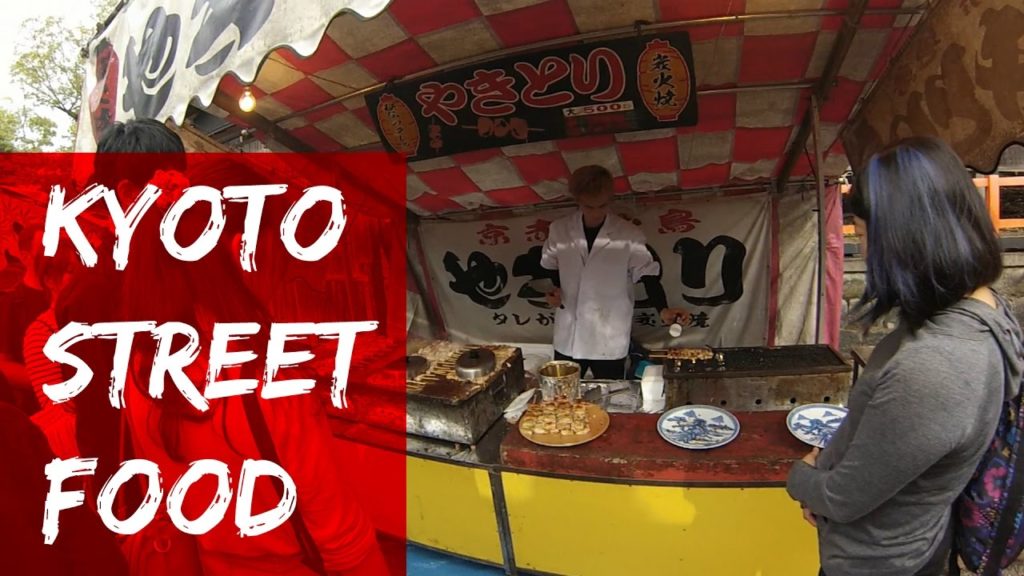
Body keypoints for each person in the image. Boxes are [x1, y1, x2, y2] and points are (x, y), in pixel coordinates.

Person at [96, 119, 389, 575]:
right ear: (234, 250)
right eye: (286, 252)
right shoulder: (263, 375)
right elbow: (342, 539)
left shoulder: (138, 363)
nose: (295, 274)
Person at [786, 137, 1024, 576]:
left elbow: (843, 496)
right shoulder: (985, 306)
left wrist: (801, 477)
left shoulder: (936, 367)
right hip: (916, 541)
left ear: (905, 241)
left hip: (881, 561)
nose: (865, 253)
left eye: (865, 236)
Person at [539, 165, 688, 379]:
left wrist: (662, 309)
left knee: (613, 392)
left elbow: (648, 275)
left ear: (610, 199)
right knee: (562, 392)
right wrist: (555, 291)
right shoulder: (559, 229)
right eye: (589, 206)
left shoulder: (628, 234)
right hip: (570, 331)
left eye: (602, 205)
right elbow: (549, 265)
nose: (596, 213)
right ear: (577, 200)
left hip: (608, 334)